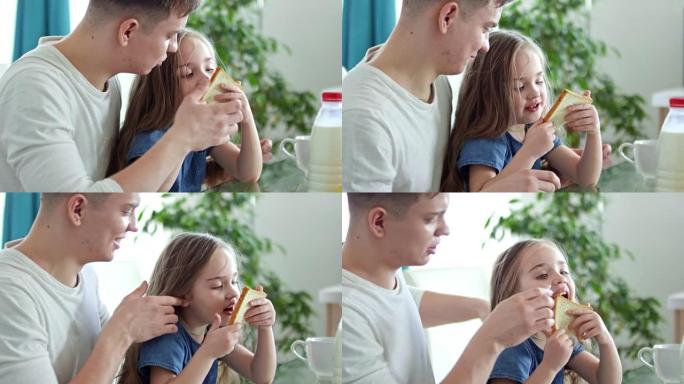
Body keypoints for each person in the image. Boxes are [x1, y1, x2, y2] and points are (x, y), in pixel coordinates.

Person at [0, 0, 242, 192]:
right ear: (128, 31)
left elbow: (112, 181)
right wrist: (182, 137)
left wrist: (207, 169)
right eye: (170, 35)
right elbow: (80, 203)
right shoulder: (36, 89)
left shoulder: (108, 81)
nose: (174, 48)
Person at [342, 0, 563, 193]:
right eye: (486, 28)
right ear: (448, 16)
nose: (487, 46)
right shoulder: (364, 118)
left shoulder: (439, 83)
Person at [342, 193, 556, 384]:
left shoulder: (376, 265)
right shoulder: (345, 319)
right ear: (379, 222)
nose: (446, 229)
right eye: (431, 218)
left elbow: (391, 306)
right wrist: (492, 339)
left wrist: (480, 308)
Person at [0, 193, 187, 383]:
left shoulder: (86, 275)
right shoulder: (8, 292)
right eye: (126, 211)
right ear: (78, 209)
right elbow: (115, 339)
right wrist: (122, 330)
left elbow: (107, 355)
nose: (134, 225)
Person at [441, 30, 603, 192]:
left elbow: (586, 178)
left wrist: (594, 132)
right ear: (490, 94)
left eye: (539, 81)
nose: (534, 93)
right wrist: (530, 151)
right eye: (520, 87)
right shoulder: (485, 140)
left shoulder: (534, 130)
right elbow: (482, 194)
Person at [108, 28, 265, 192]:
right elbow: (156, 195)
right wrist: (185, 141)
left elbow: (248, 174)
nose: (205, 79)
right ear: (162, 89)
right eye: (188, 73)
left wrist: (247, 118)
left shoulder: (203, 131)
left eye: (210, 69)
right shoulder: (149, 141)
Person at [117, 233, 276, 384]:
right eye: (218, 286)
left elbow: (261, 375)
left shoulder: (209, 333)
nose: (234, 292)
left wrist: (265, 327)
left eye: (234, 281)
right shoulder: (168, 336)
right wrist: (208, 353)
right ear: (184, 294)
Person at [488, 239, 621, 384]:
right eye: (542, 275)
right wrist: (549, 367)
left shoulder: (560, 337)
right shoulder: (511, 347)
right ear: (512, 295)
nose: (560, 278)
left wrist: (605, 339)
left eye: (564, 271)